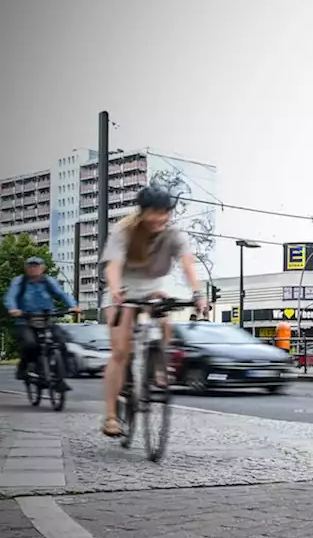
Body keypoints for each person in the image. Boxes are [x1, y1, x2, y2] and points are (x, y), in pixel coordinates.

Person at [100, 186, 208, 436]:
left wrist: (198, 294)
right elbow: (113, 266)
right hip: (123, 289)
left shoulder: (174, 234)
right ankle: (111, 416)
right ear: (143, 212)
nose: (160, 218)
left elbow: (187, 264)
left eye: (165, 213)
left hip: (153, 288)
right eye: (154, 213)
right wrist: (116, 290)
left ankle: (158, 365)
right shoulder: (124, 230)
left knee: (165, 321)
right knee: (120, 352)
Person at [4, 256, 82, 387]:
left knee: (61, 341)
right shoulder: (20, 282)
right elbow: (10, 297)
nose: (34, 269)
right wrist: (13, 309)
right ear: (26, 269)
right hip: (26, 320)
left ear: (43, 268)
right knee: (30, 344)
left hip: (46, 318)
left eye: (36, 266)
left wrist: (73, 306)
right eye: (31, 267)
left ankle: (61, 375)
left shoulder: (49, 281)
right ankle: (24, 368)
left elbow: (62, 294)